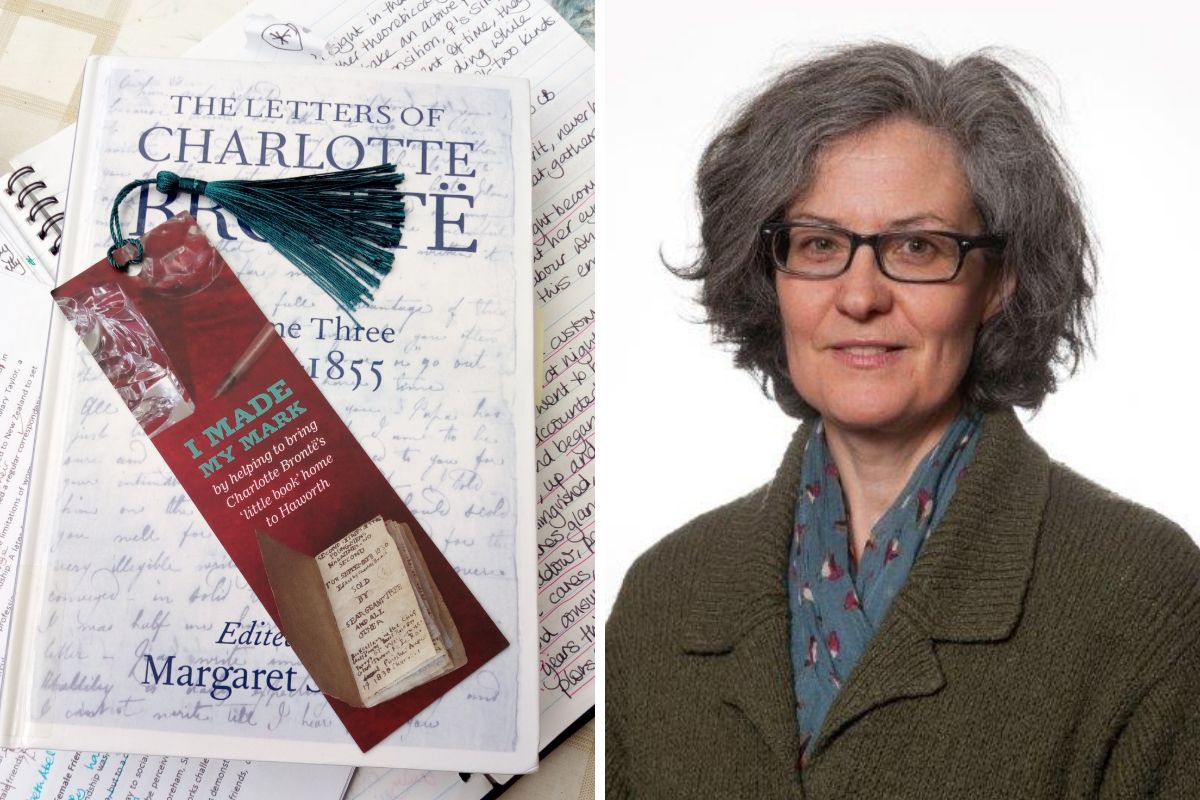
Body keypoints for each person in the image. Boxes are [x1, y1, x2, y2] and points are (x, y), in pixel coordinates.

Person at [606, 43, 1200, 798]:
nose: (860, 296)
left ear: (999, 281)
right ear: (771, 274)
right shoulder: (665, 597)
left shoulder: (1142, 592)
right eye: (819, 244)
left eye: (916, 247)